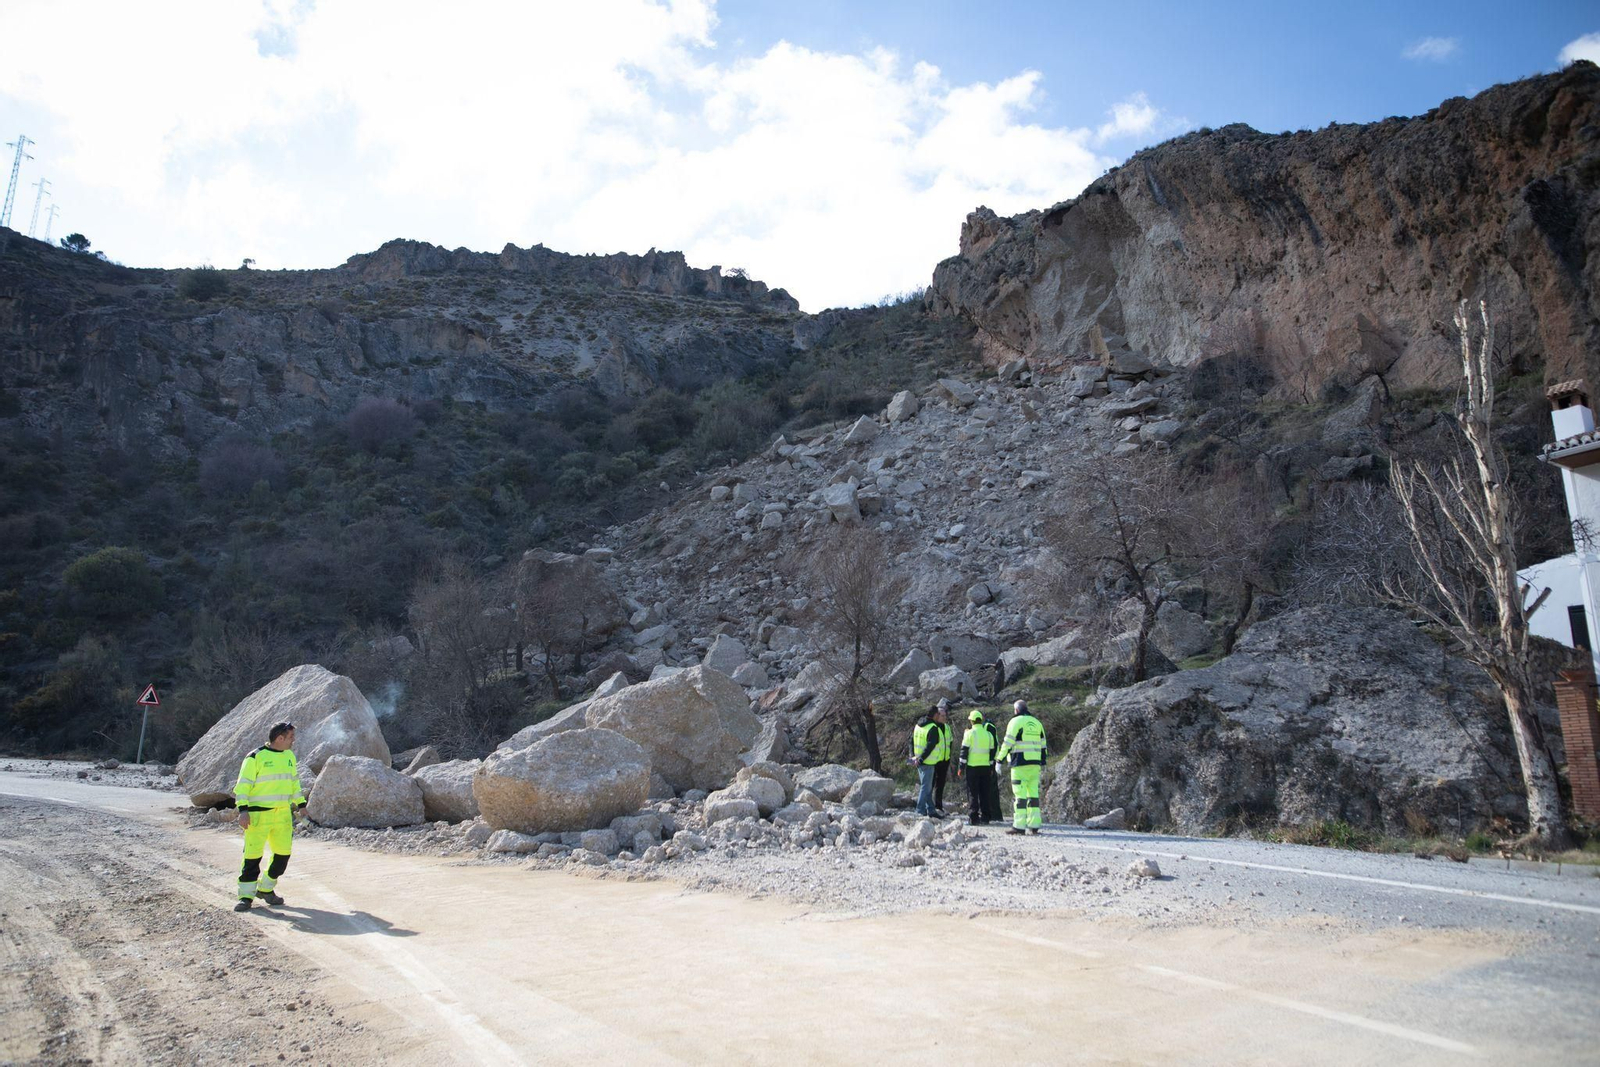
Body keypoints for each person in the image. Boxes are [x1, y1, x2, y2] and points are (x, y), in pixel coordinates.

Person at [233, 721, 306, 912]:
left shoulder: (289, 756)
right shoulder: (255, 757)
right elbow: (243, 787)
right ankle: (246, 897)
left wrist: (301, 804)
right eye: (291, 737)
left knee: (283, 855)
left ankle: (265, 888)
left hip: (282, 815)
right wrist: (243, 811)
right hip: (258, 816)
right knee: (252, 857)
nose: (293, 741)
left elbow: (293, 783)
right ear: (280, 738)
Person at [996, 699, 1047, 835]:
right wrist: (1043, 762)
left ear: (1016, 710)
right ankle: (1034, 825)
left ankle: (1019, 826)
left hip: (1020, 764)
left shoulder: (1015, 722)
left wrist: (999, 760)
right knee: (1033, 795)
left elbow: (1008, 742)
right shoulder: (1037, 723)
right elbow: (1043, 745)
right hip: (1035, 764)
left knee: (1020, 795)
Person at [957, 709, 1001, 825]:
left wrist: (961, 767)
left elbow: (964, 752)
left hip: (972, 767)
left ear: (971, 721)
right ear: (981, 720)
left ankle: (974, 817)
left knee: (973, 792)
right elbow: (992, 753)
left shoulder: (969, 734)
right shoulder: (988, 734)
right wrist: (991, 768)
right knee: (984, 793)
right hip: (986, 767)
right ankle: (986, 817)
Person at [909, 700, 953, 817]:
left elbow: (911, 741)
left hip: (919, 760)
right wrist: (922, 759)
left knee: (927, 787)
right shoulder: (932, 727)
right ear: (935, 715)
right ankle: (920, 810)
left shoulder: (918, 725)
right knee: (926, 788)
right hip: (927, 761)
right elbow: (930, 746)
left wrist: (913, 756)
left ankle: (931, 810)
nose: (941, 717)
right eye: (939, 714)